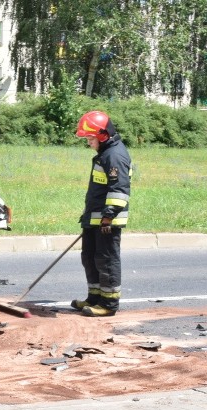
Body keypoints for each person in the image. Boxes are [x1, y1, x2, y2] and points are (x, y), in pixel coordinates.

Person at [72, 110, 132, 317]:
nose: (88, 142)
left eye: (90, 138)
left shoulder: (115, 156)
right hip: (96, 219)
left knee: (106, 260)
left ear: (102, 136)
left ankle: (108, 304)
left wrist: (108, 216)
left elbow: (119, 190)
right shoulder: (105, 154)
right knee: (90, 258)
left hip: (107, 221)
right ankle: (94, 297)